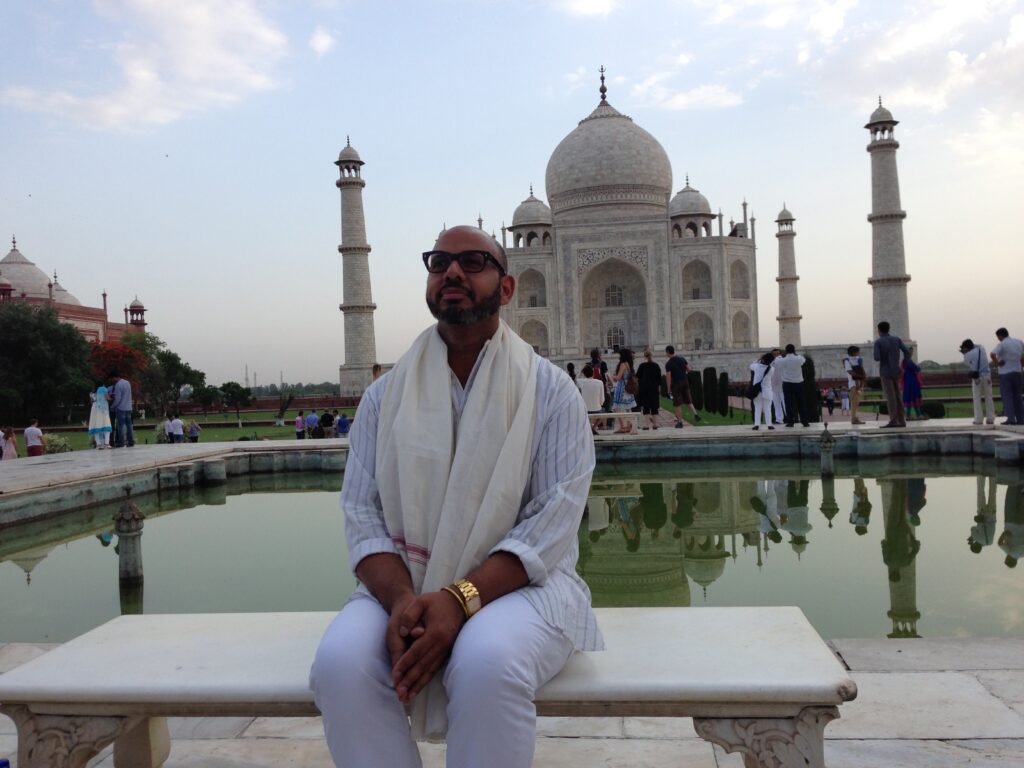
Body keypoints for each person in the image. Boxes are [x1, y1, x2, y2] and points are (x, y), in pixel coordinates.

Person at [309, 224, 601, 768]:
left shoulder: (549, 390)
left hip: (528, 589)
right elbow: (361, 513)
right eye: (440, 261)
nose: (453, 273)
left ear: (507, 288)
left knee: (487, 659)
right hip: (409, 585)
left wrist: (458, 599)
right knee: (341, 664)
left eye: (473, 261)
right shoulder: (383, 396)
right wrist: (401, 600)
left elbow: (552, 522)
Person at [873, 321, 910, 428]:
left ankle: (894, 420)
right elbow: (907, 352)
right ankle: (901, 420)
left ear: (879, 330)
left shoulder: (878, 342)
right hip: (896, 371)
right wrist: (905, 364)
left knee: (891, 397)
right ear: (888, 329)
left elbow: (877, 358)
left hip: (885, 372)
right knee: (898, 396)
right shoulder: (896, 339)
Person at [990, 328, 1024, 425]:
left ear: (1000, 335)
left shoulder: (1002, 344)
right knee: (1018, 396)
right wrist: (1021, 363)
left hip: (1005, 373)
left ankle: (1011, 419)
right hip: (1017, 372)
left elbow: (992, 354)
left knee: (1007, 397)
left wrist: (997, 363)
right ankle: (1021, 419)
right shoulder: (1019, 342)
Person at [772, 344, 809, 427]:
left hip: (787, 384)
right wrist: (795, 354)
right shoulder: (799, 359)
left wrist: (781, 355)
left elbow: (776, 361)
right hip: (798, 383)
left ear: (786, 351)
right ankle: (804, 421)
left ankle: (790, 422)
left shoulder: (782, 360)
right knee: (801, 403)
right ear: (794, 350)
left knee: (788, 404)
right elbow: (803, 359)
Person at [960, 339, 995, 425]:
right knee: (989, 398)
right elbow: (977, 346)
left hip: (977, 378)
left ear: (966, 348)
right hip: (987, 376)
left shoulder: (968, 354)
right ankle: (990, 418)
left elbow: (967, 364)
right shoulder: (981, 348)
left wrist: (964, 354)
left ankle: (978, 419)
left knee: (977, 398)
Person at [664, 345, 700, 428]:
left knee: (677, 404)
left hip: (676, 384)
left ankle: (680, 422)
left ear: (668, 352)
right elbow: (689, 370)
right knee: (688, 401)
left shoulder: (668, 364)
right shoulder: (682, 359)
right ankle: (695, 414)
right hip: (685, 382)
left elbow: (668, 378)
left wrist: (668, 389)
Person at [610, 348, 636, 434]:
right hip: (627, 388)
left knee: (617, 408)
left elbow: (618, 378)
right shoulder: (628, 364)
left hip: (622, 388)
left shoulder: (622, 364)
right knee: (628, 407)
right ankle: (629, 425)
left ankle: (622, 427)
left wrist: (611, 376)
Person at [635, 348, 662, 430]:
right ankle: (655, 424)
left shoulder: (642, 366)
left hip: (644, 388)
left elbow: (637, 377)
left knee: (646, 407)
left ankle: (646, 425)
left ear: (644, 356)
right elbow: (659, 379)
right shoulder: (656, 365)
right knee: (654, 407)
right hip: (654, 388)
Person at [749, 352, 775, 430]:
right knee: (768, 408)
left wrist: (759, 359)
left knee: (757, 408)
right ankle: (769, 424)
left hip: (757, 391)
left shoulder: (757, 366)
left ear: (763, 359)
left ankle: (757, 424)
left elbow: (751, 365)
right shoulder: (772, 369)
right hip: (767, 391)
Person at [578, 364, 606, 435]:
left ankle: (590, 428)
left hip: (585, 410)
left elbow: (576, 378)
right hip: (597, 410)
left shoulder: (581, 382)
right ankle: (593, 428)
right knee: (604, 411)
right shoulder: (600, 382)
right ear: (593, 373)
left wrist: (581, 370)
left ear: (584, 373)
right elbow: (602, 400)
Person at [109, 370, 135, 447]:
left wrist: (112, 406)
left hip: (121, 408)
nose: (111, 381)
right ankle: (130, 442)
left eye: (111, 379)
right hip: (129, 407)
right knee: (129, 425)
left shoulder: (118, 385)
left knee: (120, 426)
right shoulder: (127, 382)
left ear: (114, 377)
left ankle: (120, 442)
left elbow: (117, 399)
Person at [843, 345, 867, 425]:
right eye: (857, 352)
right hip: (853, 384)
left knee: (856, 402)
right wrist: (860, 376)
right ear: (853, 353)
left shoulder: (857, 360)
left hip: (859, 383)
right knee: (854, 402)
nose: (858, 354)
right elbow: (850, 371)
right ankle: (854, 419)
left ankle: (855, 418)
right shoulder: (847, 361)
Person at [87, 384, 112, 449]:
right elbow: (107, 398)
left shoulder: (91, 392)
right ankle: (107, 443)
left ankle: (98, 444)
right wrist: (111, 398)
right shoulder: (103, 389)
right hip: (103, 409)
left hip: (94, 409)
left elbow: (91, 401)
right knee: (106, 425)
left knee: (96, 425)